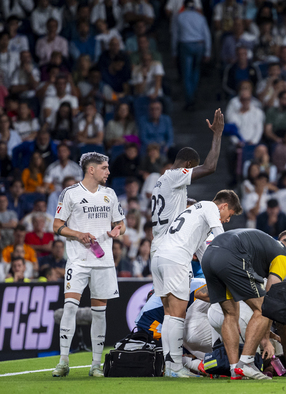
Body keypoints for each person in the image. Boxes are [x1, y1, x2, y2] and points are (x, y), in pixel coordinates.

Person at [51, 152, 126, 378]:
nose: (108, 171)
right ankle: (63, 360)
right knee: (71, 307)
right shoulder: (70, 193)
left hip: (103, 261)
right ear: (91, 169)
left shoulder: (109, 194)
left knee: (99, 313)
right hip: (78, 260)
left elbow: (121, 224)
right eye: (104, 167)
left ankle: (95, 364)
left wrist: (116, 230)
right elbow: (56, 225)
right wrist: (77, 234)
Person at [152, 190, 241, 377]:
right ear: (223, 206)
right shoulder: (209, 207)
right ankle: (175, 366)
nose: (227, 220)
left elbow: (203, 254)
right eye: (229, 215)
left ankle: (170, 366)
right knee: (177, 315)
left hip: (159, 258)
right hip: (176, 259)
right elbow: (221, 237)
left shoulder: (195, 214)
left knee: (169, 314)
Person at [201, 229, 286, 380]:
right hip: (231, 255)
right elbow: (271, 297)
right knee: (264, 308)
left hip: (209, 255)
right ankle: (246, 363)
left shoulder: (263, 246)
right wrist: (265, 339)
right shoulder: (281, 254)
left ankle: (235, 369)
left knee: (230, 313)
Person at [150, 109, 223, 259]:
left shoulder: (161, 181)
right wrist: (217, 135)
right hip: (171, 247)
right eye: (193, 168)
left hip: (157, 246)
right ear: (188, 164)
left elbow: (172, 206)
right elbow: (210, 167)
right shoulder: (176, 175)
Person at [135, 277, 212, 368]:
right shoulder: (149, 315)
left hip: (198, 296)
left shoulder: (148, 315)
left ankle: (202, 364)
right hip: (202, 291)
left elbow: (167, 343)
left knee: (174, 349)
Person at [173, 0, 211, 110]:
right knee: (195, 71)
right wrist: (208, 51)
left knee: (187, 73)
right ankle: (192, 95)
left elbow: (175, 36)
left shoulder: (179, 17)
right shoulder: (200, 17)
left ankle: (190, 99)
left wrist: (174, 52)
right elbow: (207, 35)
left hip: (185, 44)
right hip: (199, 44)